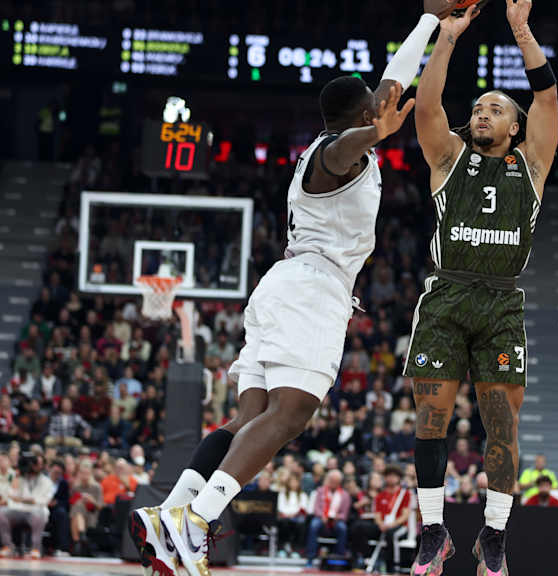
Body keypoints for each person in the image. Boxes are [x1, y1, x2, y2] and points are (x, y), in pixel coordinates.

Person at [147, 5, 454, 576]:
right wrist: (374, 132)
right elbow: (344, 148)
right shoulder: (334, 152)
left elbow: (396, 75)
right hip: (310, 289)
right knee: (291, 415)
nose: (387, 100)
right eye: (376, 106)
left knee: (250, 419)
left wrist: (429, 22)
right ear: (361, 115)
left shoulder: (352, 136)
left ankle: (171, 513)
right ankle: (197, 522)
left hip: (285, 286)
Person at [405, 0, 558, 574]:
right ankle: (433, 531)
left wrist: (521, 30)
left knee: (502, 422)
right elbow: (426, 103)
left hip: (500, 302)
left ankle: (493, 534)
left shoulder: (534, 163)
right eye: (476, 109)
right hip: (446, 296)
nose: (482, 114)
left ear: (514, 126)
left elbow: (548, 98)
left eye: (495, 109)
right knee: (431, 418)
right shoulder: (447, 157)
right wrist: (446, 39)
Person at [352, 466, 412, 574]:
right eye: (388, 476)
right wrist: (380, 524)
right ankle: (366, 557)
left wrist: (391, 525)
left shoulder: (405, 494)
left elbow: (405, 515)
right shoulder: (380, 496)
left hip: (400, 526)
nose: (391, 478)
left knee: (391, 534)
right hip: (383, 525)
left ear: (399, 478)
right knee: (359, 527)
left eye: (394, 476)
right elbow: (377, 515)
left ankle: (394, 565)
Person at [0, 455, 54, 558]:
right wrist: (17, 477)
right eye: (33, 464)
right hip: (19, 510)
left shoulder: (47, 481)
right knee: (1, 511)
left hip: (36, 512)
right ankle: (8, 547)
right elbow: (12, 494)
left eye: (38, 464)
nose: (34, 467)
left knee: (40, 513)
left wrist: (26, 500)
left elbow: (44, 501)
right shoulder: (20, 477)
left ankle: (35, 548)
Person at [305, 470, 351, 567]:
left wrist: (336, 517)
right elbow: (316, 508)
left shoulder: (345, 495)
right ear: (328, 480)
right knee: (313, 525)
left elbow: (344, 514)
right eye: (332, 481)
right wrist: (323, 516)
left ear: (339, 482)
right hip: (321, 518)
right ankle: (310, 557)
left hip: (336, 520)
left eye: (336, 481)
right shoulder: (320, 491)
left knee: (343, 528)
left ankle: (339, 556)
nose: (334, 483)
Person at [69, 460, 103, 556]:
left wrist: (91, 500)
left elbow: (100, 507)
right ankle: (81, 536)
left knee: (76, 511)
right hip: (78, 515)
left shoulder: (97, 487)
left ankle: (77, 542)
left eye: (87, 473)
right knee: (77, 507)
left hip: (91, 515)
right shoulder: (76, 487)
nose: (84, 475)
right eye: (82, 473)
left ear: (90, 473)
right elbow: (71, 503)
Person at [276, 474, 308, 558]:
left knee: (301, 524)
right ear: (288, 483)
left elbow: (303, 507)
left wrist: (294, 514)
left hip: (297, 517)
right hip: (285, 516)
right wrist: (287, 514)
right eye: (291, 482)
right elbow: (280, 506)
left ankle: (296, 549)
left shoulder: (303, 495)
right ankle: (282, 548)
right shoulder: (282, 494)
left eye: (295, 482)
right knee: (283, 523)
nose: (293, 484)